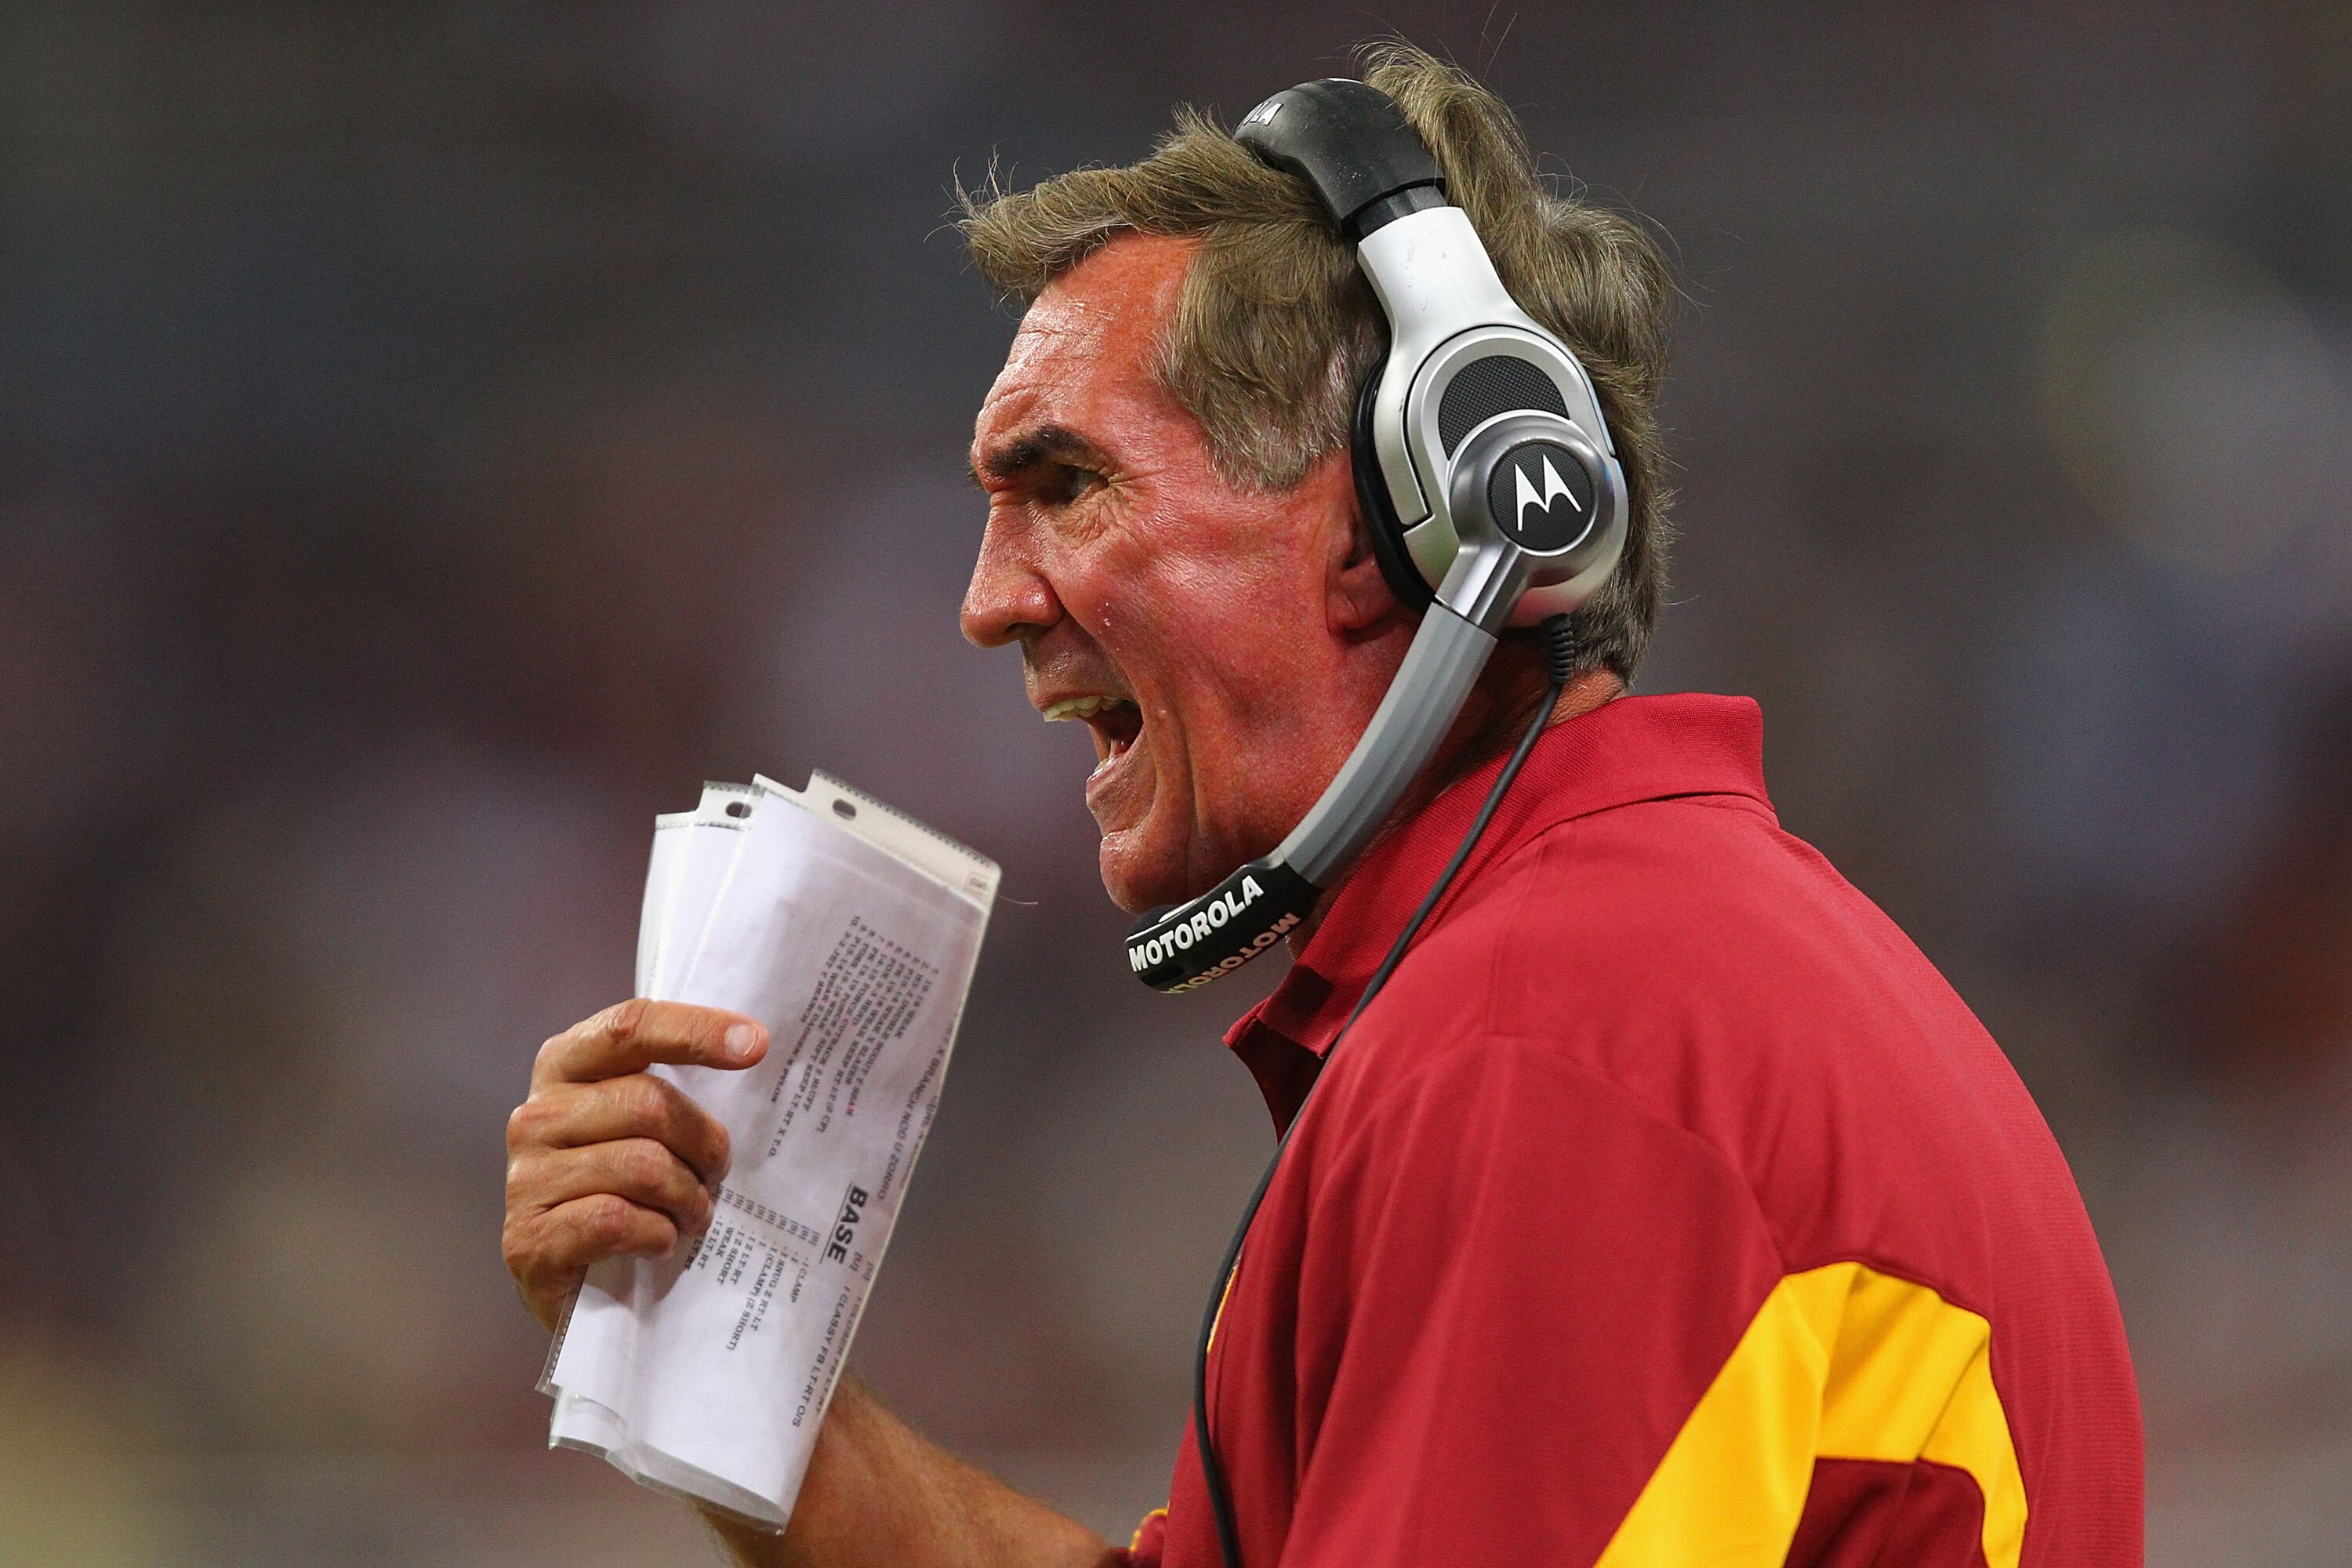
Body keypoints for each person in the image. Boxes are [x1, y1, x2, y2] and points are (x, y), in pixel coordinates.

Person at [501, 45, 2143, 1568]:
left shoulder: (1559, 1044)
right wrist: (721, 1357)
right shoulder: (1621, 980)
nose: (988, 601)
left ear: (1420, 508)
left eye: (1066, 484)